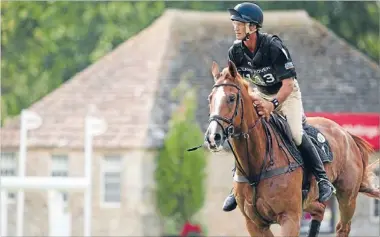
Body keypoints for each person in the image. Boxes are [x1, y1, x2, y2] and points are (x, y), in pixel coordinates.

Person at [222, 2, 336, 212]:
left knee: (295, 134)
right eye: (235, 23)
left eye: (241, 23)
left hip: (286, 95)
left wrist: (271, 105)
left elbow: (288, 84)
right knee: (248, 134)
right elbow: (235, 82)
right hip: (260, 93)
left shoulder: (273, 47)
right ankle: (235, 188)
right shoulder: (235, 52)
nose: (235, 26)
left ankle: (322, 180)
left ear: (253, 27)